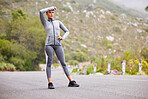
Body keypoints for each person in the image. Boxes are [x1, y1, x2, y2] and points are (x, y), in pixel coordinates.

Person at [39, 6, 79, 89]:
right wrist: (51, 7)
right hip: (48, 45)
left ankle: (71, 81)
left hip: (58, 45)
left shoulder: (58, 22)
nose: (51, 14)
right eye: (50, 12)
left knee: (63, 63)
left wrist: (62, 37)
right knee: (49, 63)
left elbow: (67, 31)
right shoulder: (45, 22)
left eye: (53, 12)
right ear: (46, 14)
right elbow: (40, 11)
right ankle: (50, 83)